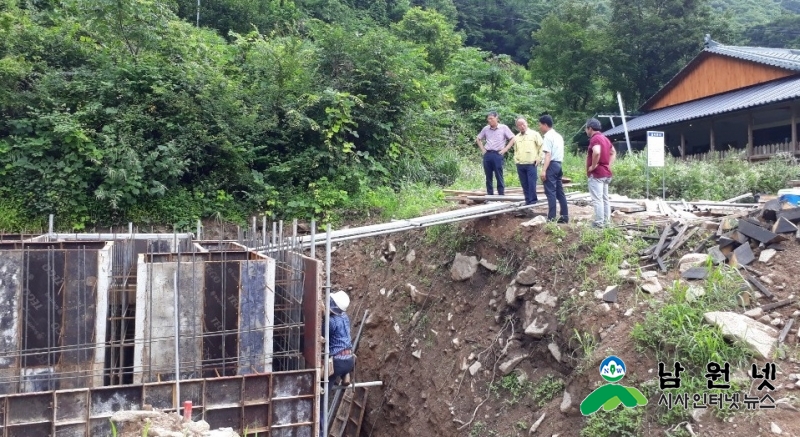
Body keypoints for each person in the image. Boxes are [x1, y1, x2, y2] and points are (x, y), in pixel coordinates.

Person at [585, 118, 617, 228]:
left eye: (586, 129)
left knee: (597, 199)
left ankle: (599, 223)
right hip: (606, 173)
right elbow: (613, 152)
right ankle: (606, 222)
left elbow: (597, 151)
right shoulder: (605, 138)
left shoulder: (595, 139)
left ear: (590, 128)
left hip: (597, 174)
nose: (586, 131)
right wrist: (608, 165)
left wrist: (593, 166)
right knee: (605, 198)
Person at [538, 115, 569, 223]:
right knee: (560, 192)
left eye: (540, 125)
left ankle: (551, 218)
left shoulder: (547, 136)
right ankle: (564, 216)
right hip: (559, 165)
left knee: (550, 192)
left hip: (551, 165)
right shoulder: (558, 136)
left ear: (545, 125)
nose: (539, 127)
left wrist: (543, 170)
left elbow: (548, 155)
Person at [476, 111, 515, 196]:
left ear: (496, 118)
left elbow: (512, 138)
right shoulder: (486, 128)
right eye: (488, 119)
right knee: (488, 176)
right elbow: (478, 139)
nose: (489, 121)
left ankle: (501, 194)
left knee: (499, 175)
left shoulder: (503, 128)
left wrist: (505, 149)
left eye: (491, 119)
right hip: (488, 154)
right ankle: (490, 195)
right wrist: (483, 149)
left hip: (498, 154)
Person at [326, 290, 354, 392]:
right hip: (349, 360)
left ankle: (321, 407)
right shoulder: (345, 317)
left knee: (322, 389)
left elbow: (322, 335)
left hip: (337, 362)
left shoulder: (331, 321)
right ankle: (345, 374)